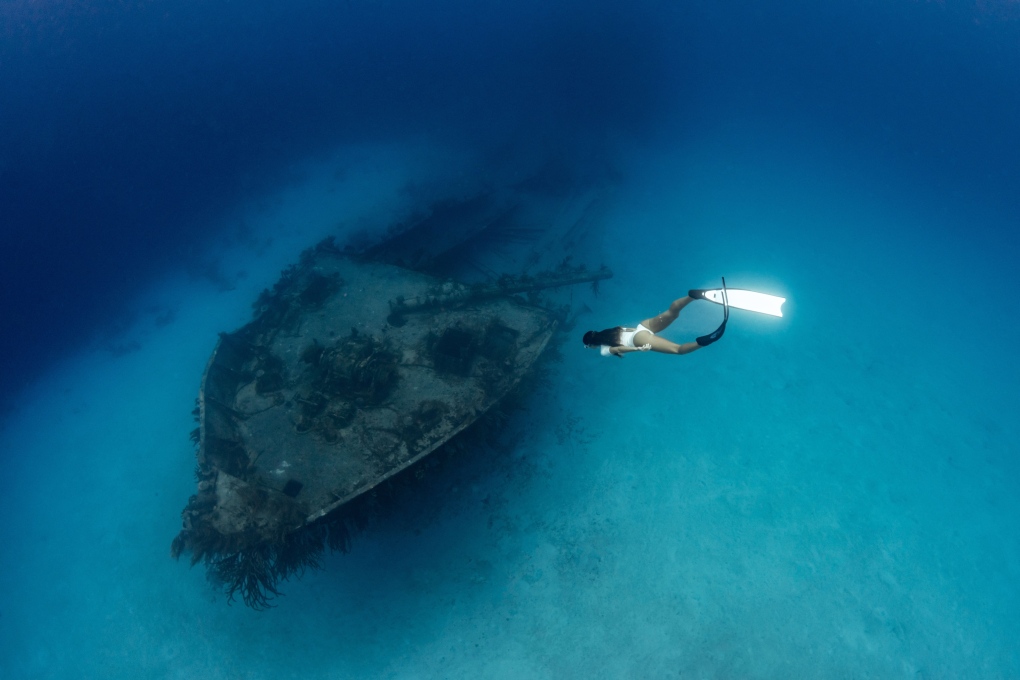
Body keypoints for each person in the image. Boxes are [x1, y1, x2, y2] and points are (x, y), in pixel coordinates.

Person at [582, 289, 726, 358]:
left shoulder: (603, 350)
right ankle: (693, 296)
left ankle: (705, 341)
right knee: (672, 313)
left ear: (591, 344)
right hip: (643, 327)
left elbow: (619, 349)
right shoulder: (610, 331)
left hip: (638, 340)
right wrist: (643, 334)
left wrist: (639, 348)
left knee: (678, 350)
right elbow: (628, 330)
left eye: (588, 347)